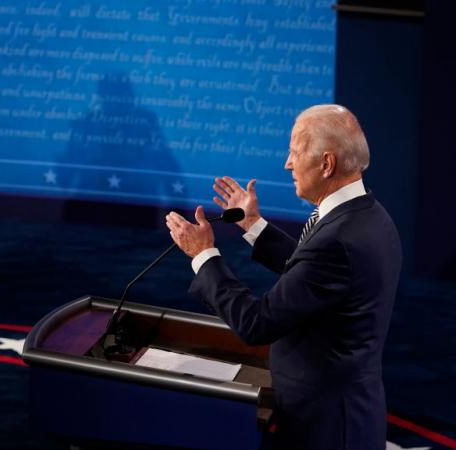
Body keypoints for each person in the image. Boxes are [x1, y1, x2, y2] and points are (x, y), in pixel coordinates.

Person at [165, 104, 401, 450]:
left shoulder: (337, 240)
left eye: (295, 152)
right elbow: (313, 276)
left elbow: (257, 323)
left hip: (327, 427)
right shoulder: (369, 215)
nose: (287, 164)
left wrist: (203, 255)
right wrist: (253, 226)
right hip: (341, 411)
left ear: (326, 163)